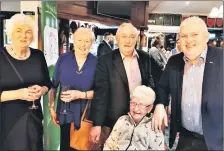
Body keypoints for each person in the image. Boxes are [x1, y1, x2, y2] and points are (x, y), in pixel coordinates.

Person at [152, 17, 223, 150]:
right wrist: (160, 104)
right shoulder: (174, 61)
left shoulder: (221, 58)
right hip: (183, 137)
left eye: (194, 34)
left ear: (206, 37)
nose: (189, 40)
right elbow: (162, 87)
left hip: (216, 140)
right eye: (184, 36)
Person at [89, 23, 155, 145]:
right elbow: (101, 93)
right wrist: (97, 124)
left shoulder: (145, 57)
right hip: (114, 121)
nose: (128, 40)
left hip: (139, 120)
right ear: (117, 39)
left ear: (136, 39)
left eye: (131, 37)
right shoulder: (105, 60)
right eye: (124, 36)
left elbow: (149, 83)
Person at [0, 14, 51, 150]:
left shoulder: (37, 55)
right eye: (18, 31)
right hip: (8, 123)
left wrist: (42, 90)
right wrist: (18, 94)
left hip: (33, 120)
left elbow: (47, 82)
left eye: (28, 32)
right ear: (10, 33)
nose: (24, 35)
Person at [49, 27, 97, 151]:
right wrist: (51, 107)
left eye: (87, 41)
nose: (83, 44)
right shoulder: (63, 59)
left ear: (91, 43)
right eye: (79, 40)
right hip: (65, 114)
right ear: (73, 41)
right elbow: (53, 86)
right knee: (65, 146)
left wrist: (81, 95)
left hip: (86, 116)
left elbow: (101, 92)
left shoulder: (97, 62)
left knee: (83, 147)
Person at [103, 85, 164, 150]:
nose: (136, 109)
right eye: (133, 103)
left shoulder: (154, 127)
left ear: (149, 108)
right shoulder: (122, 120)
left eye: (141, 105)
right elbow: (109, 144)